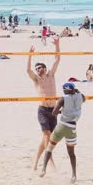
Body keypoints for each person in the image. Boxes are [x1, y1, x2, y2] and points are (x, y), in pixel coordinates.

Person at [39, 82, 85, 183]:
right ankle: (74, 175)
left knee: (49, 148)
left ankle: (43, 170)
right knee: (72, 153)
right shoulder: (80, 97)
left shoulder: (62, 99)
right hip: (72, 128)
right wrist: (77, 91)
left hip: (62, 126)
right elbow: (83, 97)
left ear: (65, 90)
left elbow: (54, 113)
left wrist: (61, 111)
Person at [27, 37, 60, 171]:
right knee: (47, 136)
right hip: (42, 110)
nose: (37, 69)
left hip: (53, 110)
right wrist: (29, 56)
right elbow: (28, 70)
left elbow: (57, 60)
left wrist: (57, 45)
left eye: (40, 67)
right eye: (36, 68)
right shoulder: (36, 79)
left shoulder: (51, 75)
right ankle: (50, 161)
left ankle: (35, 162)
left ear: (45, 69)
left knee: (49, 138)